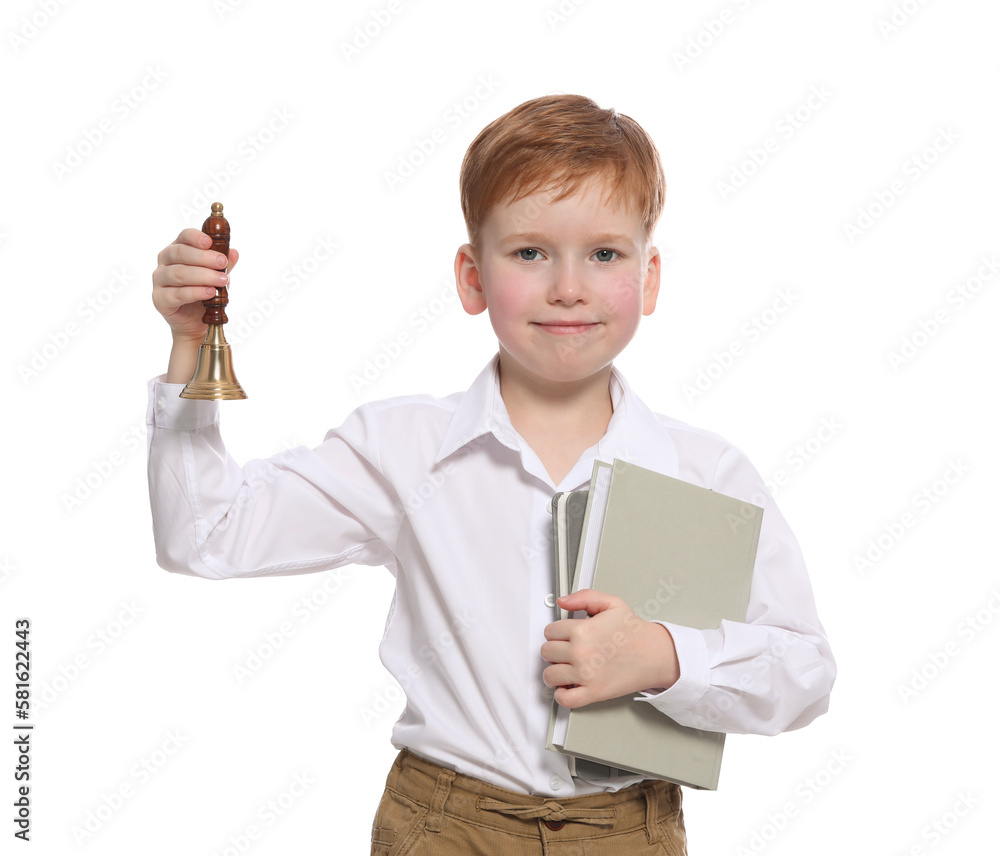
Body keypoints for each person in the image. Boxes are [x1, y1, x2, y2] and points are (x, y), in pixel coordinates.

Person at [148, 94, 836, 855]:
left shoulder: (708, 473)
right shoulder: (402, 447)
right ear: (472, 278)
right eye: (530, 252)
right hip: (445, 826)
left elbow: (804, 670)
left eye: (604, 254)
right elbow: (205, 534)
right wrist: (189, 348)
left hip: (630, 829)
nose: (567, 286)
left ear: (649, 278)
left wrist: (666, 657)